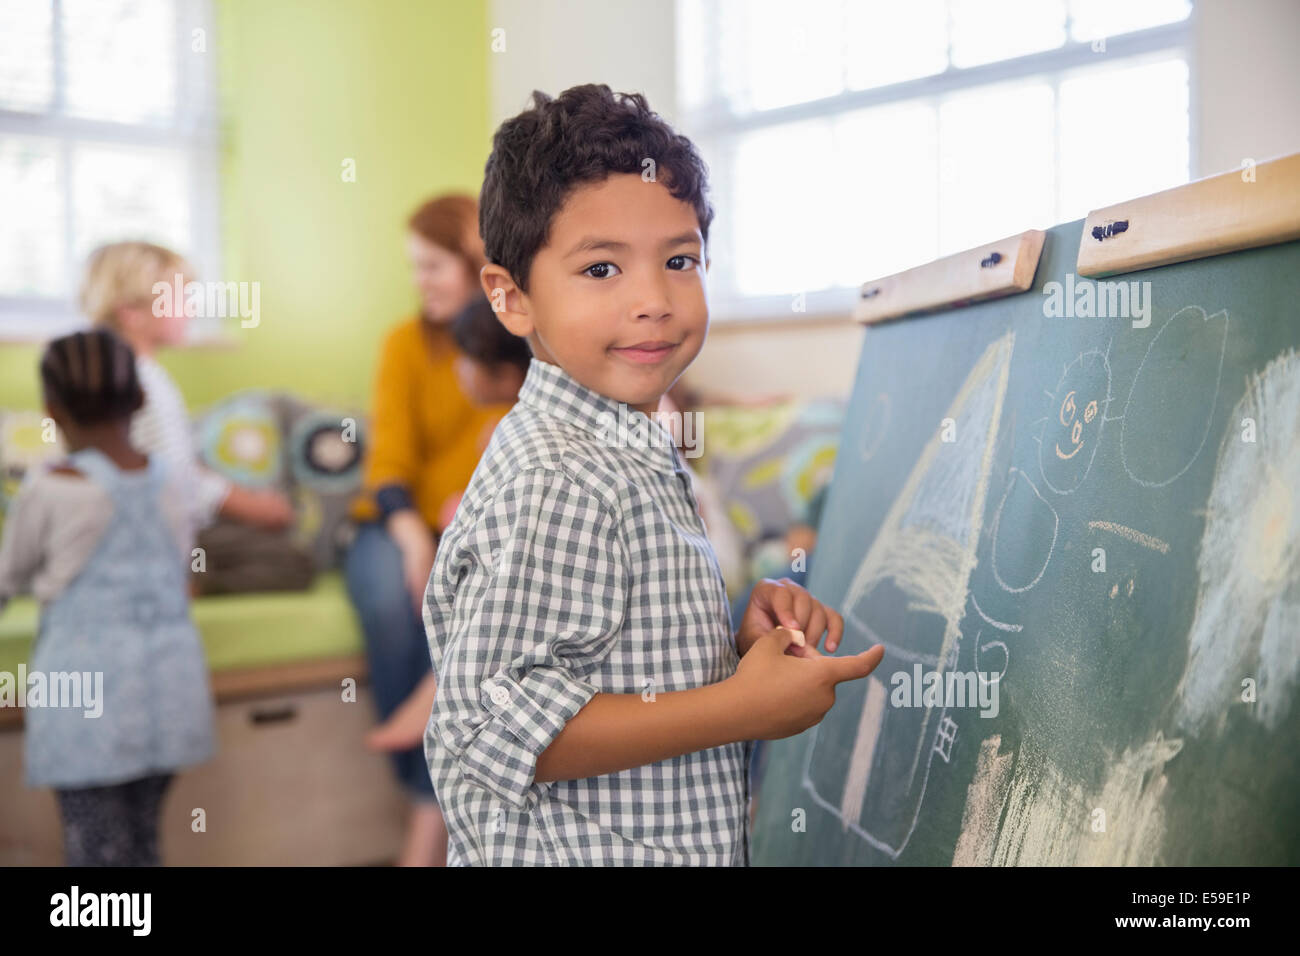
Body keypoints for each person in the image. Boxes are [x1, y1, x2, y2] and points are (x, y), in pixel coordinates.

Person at [423, 83, 885, 866]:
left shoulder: (628, 445)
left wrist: (728, 654)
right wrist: (738, 709)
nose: (653, 301)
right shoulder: (559, 473)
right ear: (510, 297)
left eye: (679, 261)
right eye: (601, 269)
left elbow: (617, 667)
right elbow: (492, 729)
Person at [0, 329, 216, 866]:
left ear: (51, 409)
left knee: (94, 854)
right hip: (168, 695)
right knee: (142, 842)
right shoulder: (172, 482)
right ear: (140, 400)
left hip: (86, 710)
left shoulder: (50, 488)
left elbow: (8, 579)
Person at [345, 195, 513, 867]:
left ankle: (434, 808)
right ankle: (429, 794)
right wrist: (413, 536)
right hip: (394, 522)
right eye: (416, 268)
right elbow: (388, 462)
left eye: (433, 266)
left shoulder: (512, 344)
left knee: (477, 608)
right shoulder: (403, 345)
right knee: (396, 599)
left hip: (468, 528)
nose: (421, 282)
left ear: (476, 261)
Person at [363, 294, 531, 752]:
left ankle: (437, 691)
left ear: (502, 375)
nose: (457, 372)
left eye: (465, 363)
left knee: (483, 596)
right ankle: (436, 692)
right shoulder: (505, 422)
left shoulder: (507, 429)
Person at [79, 241, 294, 551]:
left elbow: (170, 464)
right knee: (289, 558)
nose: (190, 308)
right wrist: (251, 506)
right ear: (131, 313)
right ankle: (182, 577)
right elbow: (174, 481)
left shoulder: (131, 373)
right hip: (154, 535)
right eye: (179, 298)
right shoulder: (140, 381)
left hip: (151, 527)